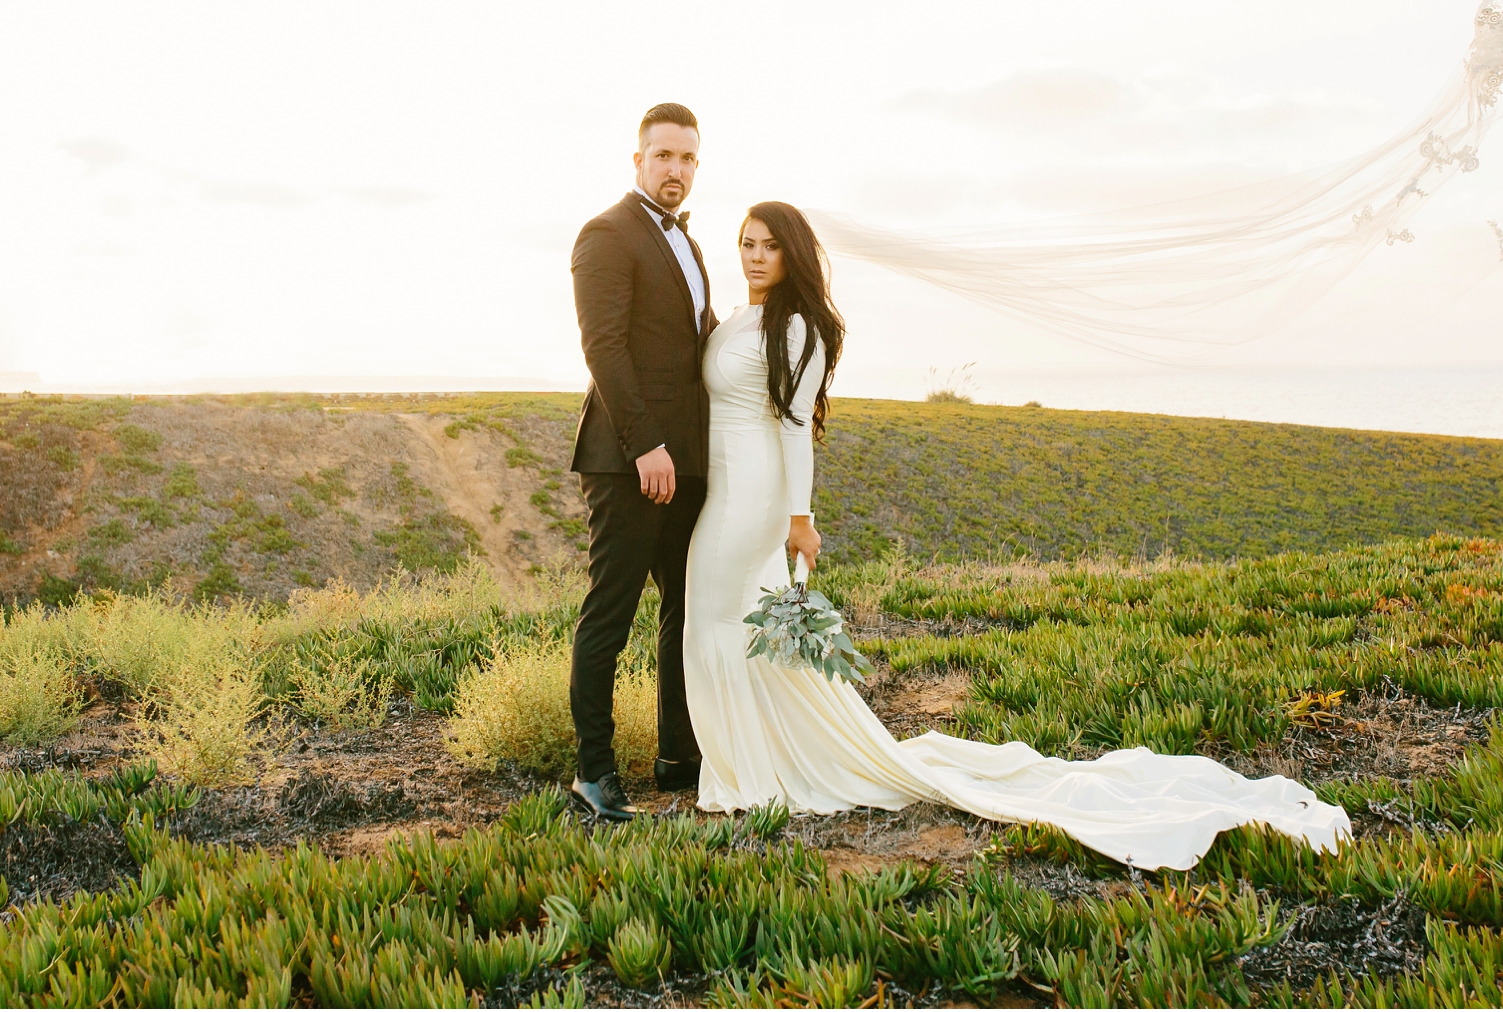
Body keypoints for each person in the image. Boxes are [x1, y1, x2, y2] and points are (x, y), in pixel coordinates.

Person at [680, 201, 1351, 872]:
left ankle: (743, 771)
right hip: (728, 488)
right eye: (747, 243)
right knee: (726, 627)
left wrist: (801, 519)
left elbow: (796, 427)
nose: (756, 255)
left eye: (770, 245)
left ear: (794, 254)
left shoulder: (795, 326)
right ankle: (754, 758)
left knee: (713, 621)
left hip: (754, 498)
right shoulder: (742, 318)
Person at [567, 102, 717, 822]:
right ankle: (593, 773)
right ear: (637, 161)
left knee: (686, 611)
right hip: (629, 460)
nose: (676, 171)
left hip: (686, 464)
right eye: (664, 157)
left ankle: (676, 755)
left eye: (688, 159)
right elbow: (605, 348)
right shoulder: (605, 235)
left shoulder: (690, 245)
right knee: (612, 612)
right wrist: (645, 445)